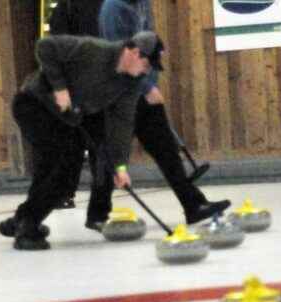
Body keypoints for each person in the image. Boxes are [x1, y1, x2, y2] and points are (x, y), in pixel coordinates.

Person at [0, 31, 164, 250]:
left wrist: (120, 166)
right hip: (34, 105)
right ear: (133, 52)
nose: (148, 69)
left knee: (61, 172)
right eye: (147, 63)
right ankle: (27, 227)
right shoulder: (93, 50)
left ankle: (23, 219)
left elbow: (121, 126)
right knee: (61, 167)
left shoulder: (131, 84)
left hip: (65, 117)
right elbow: (45, 46)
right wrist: (60, 87)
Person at [84, 0, 230, 231]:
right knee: (111, 154)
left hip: (141, 88)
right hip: (122, 94)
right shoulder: (113, 9)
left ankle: (193, 205)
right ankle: (97, 213)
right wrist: (147, 87)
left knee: (166, 150)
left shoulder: (143, 3)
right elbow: (122, 55)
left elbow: (148, 42)